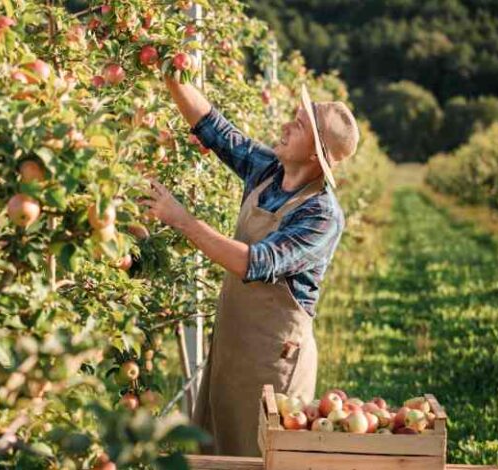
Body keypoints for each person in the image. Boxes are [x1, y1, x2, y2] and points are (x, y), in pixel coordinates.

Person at [140, 76, 360, 456]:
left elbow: (257, 262)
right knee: (215, 454)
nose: (287, 124)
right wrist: (169, 70)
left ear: (316, 154)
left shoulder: (321, 215)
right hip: (231, 349)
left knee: (260, 456)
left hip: (273, 364)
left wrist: (182, 220)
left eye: (301, 123)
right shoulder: (269, 171)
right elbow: (215, 128)